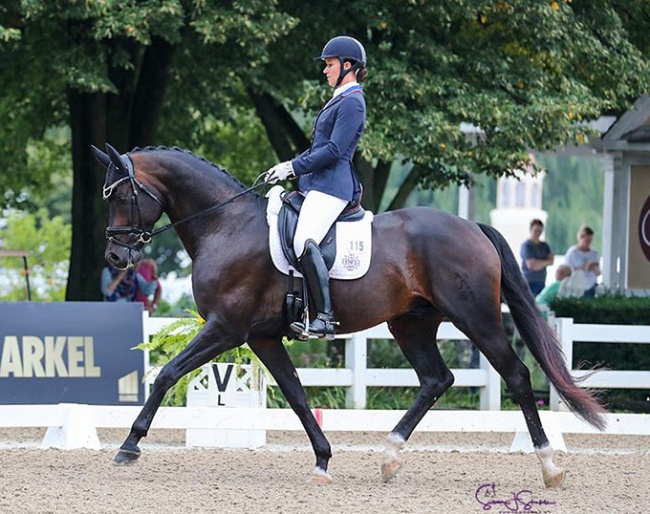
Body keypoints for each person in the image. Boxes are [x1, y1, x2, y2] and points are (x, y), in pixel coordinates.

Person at [265, 35, 367, 339]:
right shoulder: (339, 99)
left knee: (303, 240)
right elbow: (316, 148)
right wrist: (286, 166)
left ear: (348, 66)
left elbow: (334, 150)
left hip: (332, 187)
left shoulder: (353, 102)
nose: (325, 70)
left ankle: (324, 317)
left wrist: (293, 168)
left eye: (330, 64)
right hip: (316, 184)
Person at [520, 219, 554, 296]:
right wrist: (544, 262)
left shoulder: (544, 246)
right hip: (529, 281)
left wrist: (537, 263)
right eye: (536, 230)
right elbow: (531, 265)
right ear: (531, 229)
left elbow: (551, 261)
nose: (538, 233)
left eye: (540, 230)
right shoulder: (526, 245)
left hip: (541, 281)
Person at [564, 226, 600, 297]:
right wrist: (584, 267)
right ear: (580, 238)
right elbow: (567, 270)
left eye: (590, 240)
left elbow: (598, 272)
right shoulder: (573, 252)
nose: (588, 243)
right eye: (587, 240)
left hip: (591, 284)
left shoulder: (594, 253)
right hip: (576, 285)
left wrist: (594, 268)